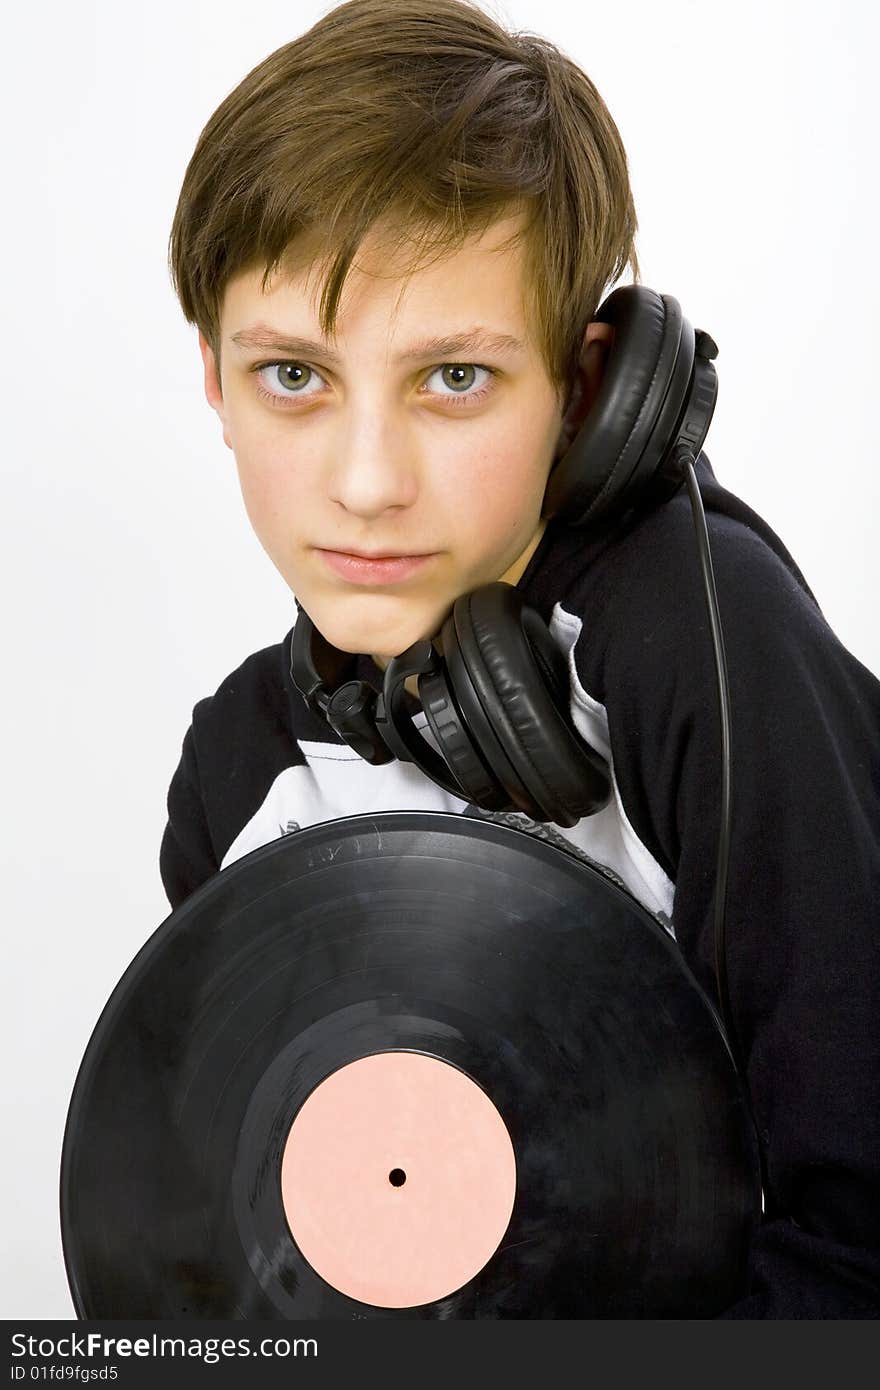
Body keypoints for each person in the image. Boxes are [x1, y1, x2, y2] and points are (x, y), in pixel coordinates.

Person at [160, 0, 880, 1317]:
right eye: (293, 377)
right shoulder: (240, 770)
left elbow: (861, 1240)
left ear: (591, 390)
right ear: (212, 377)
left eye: (453, 378)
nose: (366, 483)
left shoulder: (704, 645)